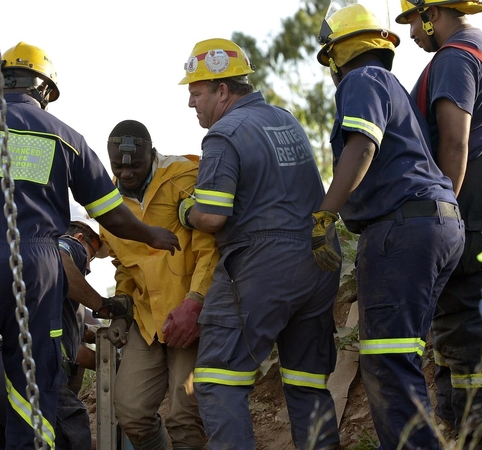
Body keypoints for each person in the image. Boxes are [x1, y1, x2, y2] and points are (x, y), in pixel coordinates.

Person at [0, 41, 179, 449]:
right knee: (34, 391)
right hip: (42, 270)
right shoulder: (67, 138)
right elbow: (113, 214)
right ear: (46, 90)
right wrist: (152, 234)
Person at [177, 38, 341, 449]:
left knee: (216, 380)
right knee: (306, 381)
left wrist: (185, 211)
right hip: (318, 262)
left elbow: (213, 216)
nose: (191, 104)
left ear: (223, 91)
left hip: (263, 265)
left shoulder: (224, 133)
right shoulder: (286, 120)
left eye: (196, 93)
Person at [316, 2, 465, 448]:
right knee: (400, 359)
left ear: (337, 53)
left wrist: (325, 213)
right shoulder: (391, 85)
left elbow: (361, 146)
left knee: (387, 363)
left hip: (402, 230)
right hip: (436, 224)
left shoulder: (362, 80)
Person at [100, 119, 219, 450]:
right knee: (131, 412)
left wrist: (196, 301)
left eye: (134, 165)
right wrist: (122, 314)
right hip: (147, 321)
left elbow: (209, 248)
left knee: (184, 415)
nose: (125, 173)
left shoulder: (183, 178)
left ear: (151, 154)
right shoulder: (108, 206)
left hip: (191, 313)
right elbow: (124, 266)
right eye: (117, 166)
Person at [396, 0, 482, 436]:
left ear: (432, 13)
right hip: (474, 214)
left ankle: (471, 431)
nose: (412, 33)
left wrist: (443, 216)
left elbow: (454, 142)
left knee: (462, 323)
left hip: (465, 216)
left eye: (413, 20)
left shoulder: (453, 59)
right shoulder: (477, 49)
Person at [0, 203, 107, 450]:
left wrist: (95, 339)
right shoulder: (69, 244)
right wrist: (102, 305)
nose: (90, 265)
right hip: (33, 374)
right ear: (80, 236)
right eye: (93, 254)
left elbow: (72, 343)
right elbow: (63, 256)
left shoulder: (28, 262)